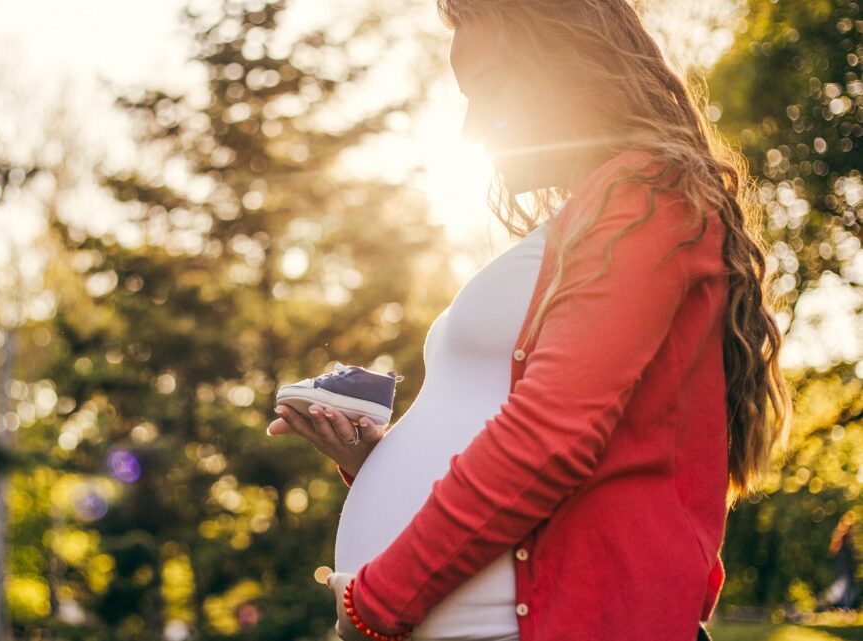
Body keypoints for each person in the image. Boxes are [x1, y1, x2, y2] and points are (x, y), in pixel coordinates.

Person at [267, 1, 794, 640]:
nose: (469, 130)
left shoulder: (650, 195)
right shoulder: (595, 216)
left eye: (486, 87)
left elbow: (553, 432)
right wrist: (376, 462)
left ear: (565, 71)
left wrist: (374, 604)